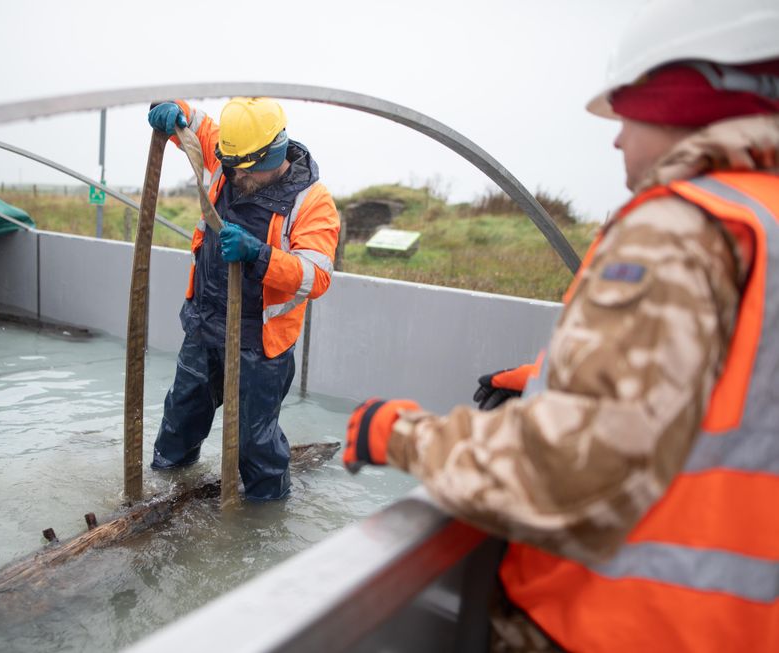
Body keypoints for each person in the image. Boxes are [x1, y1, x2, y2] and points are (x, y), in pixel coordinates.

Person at [343, 0, 779, 650]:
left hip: (612, 624)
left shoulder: (679, 228)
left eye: (628, 112)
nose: (616, 138)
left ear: (678, 100)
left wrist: (402, 433)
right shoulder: (762, 221)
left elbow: (573, 469)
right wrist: (548, 379)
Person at [147, 97, 340, 501]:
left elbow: (316, 276)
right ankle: (163, 497)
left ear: (273, 152)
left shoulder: (312, 201)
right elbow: (196, 124)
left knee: (255, 445)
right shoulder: (231, 154)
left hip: (260, 344)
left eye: (245, 169)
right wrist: (171, 107)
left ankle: (263, 522)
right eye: (230, 165)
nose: (235, 175)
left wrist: (260, 255)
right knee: (179, 422)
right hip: (205, 326)